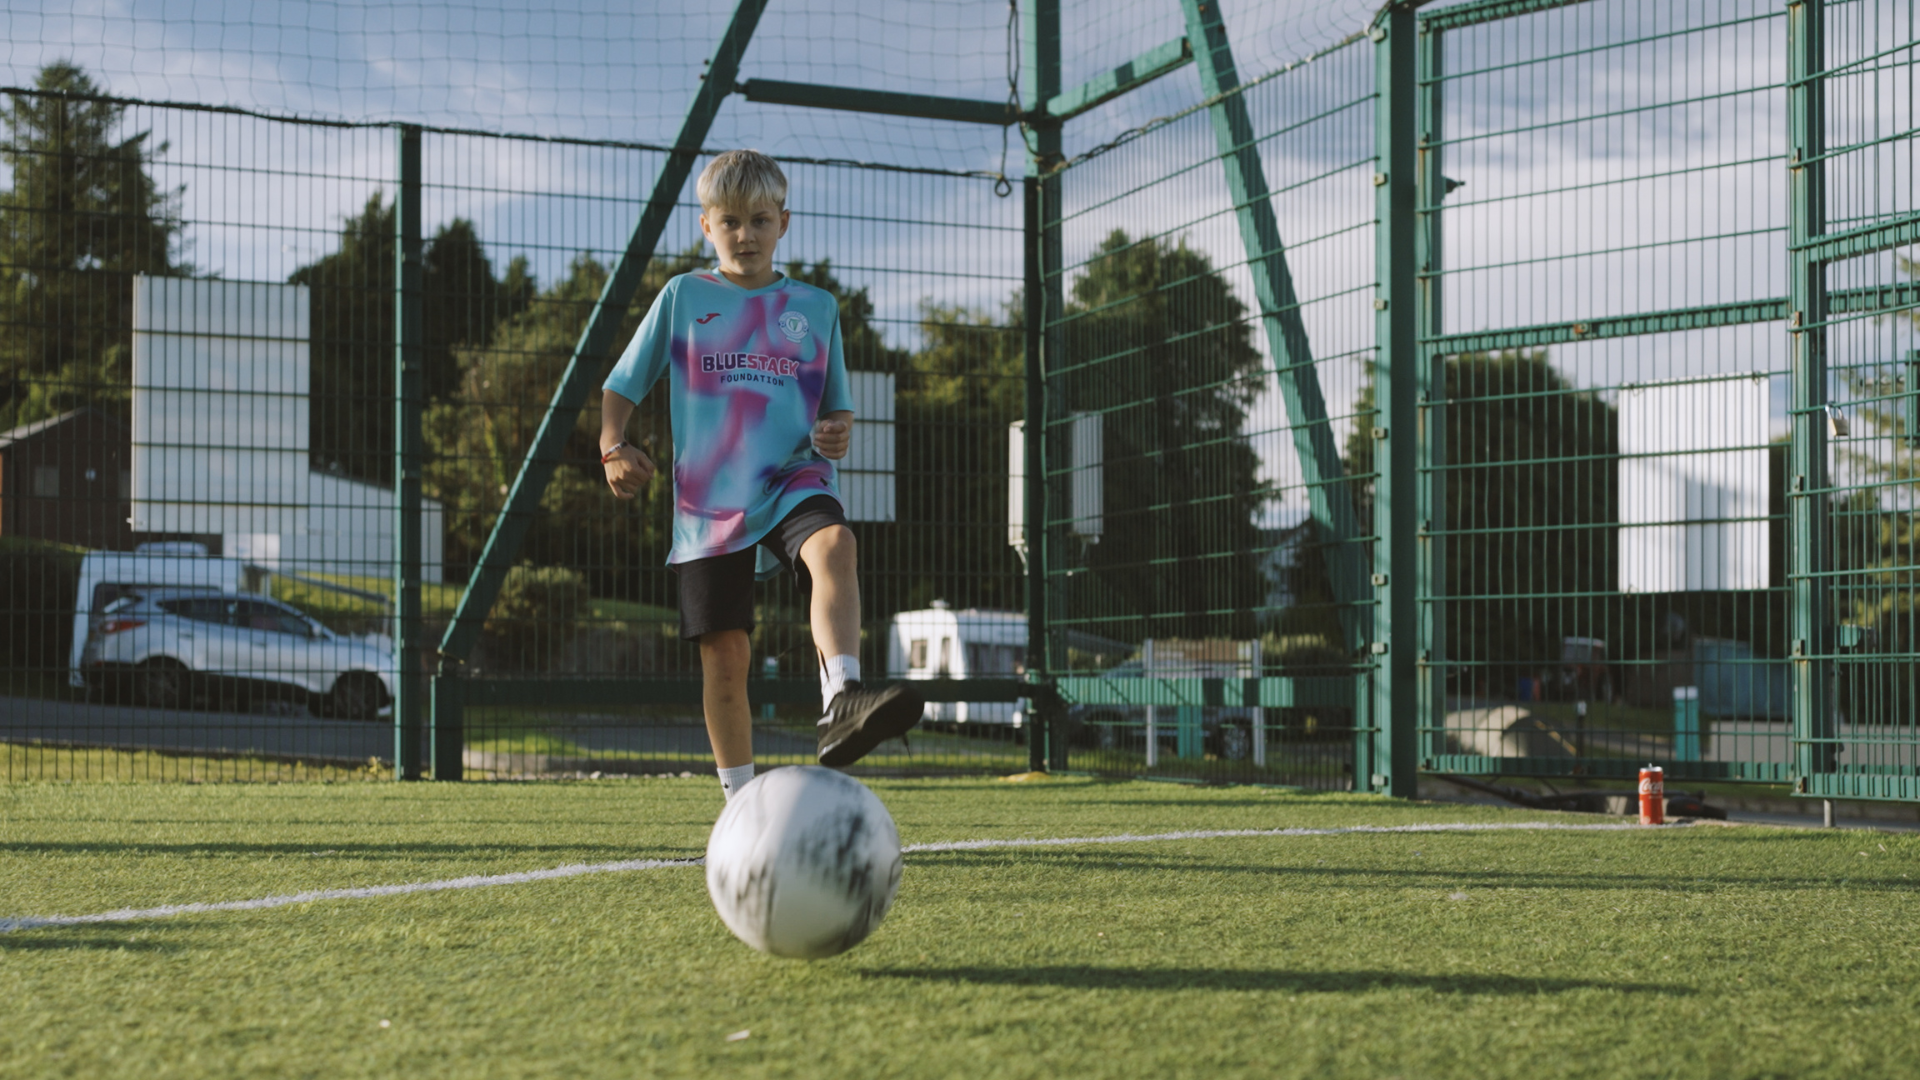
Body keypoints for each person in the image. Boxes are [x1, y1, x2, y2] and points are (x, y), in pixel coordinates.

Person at [598, 149, 922, 801]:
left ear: (784, 223)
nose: (745, 234)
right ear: (706, 226)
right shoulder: (684, 296)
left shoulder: (816, 308)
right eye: (730, 221)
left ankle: (842, 698)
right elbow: (622, 384)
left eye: (760, 220)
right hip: (709, 502)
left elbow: (836, 410)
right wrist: (613, 445)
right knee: (726, 657)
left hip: (793, 478)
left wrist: (836, 430)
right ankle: (740, 805)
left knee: (836, 543)